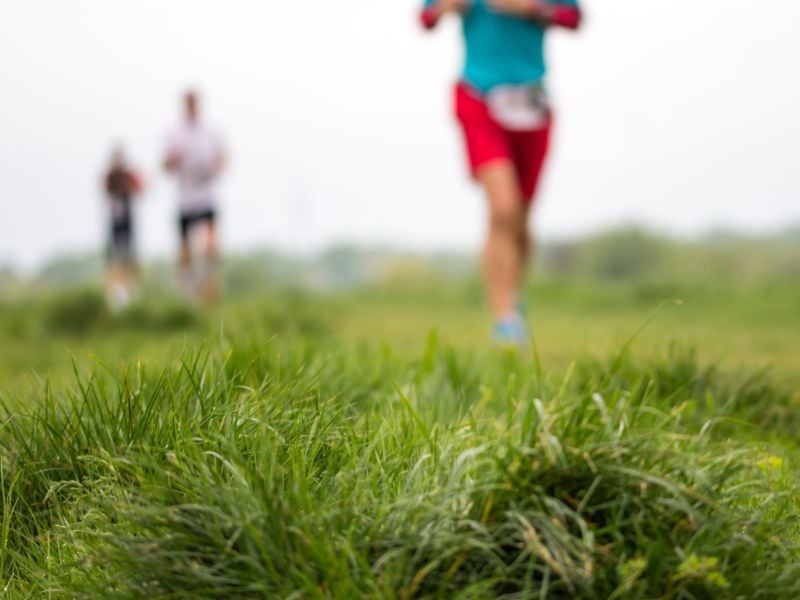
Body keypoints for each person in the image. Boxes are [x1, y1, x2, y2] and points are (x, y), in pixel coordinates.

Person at [420, 0, 582, 345]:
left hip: (532, 103)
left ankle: (513, 293)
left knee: (520, 219)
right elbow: (426, 17)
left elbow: (573, 17)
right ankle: (504, 318)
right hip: (477, 97)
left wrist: (531, 9)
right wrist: (450, 6)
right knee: (502, 207)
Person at [163, 90, 227, 304]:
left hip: (206, 196)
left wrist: (216, 168)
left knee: (212, 244)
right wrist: (174, 160)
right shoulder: (175, 133)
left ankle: (210, 283)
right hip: (185, 199)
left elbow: (223, 158)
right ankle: (188, 288)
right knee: (185, 251)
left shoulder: (210, 131)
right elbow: (165, 165)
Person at [103, 147, 143, 311]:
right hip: (115, 223)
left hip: (128, 222)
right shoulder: (110, 177)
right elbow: (104, 191)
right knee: (116, 257)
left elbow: (139, 188)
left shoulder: (128, 175)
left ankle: (131, 288)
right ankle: (116, 292)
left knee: (129, 256)